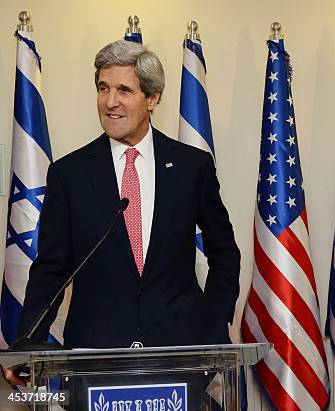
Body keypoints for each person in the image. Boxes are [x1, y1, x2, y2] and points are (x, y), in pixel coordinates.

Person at [14, 39, 240, 351]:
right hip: (96, 352)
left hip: (180, 348)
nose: (109, 102)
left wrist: (213, 325)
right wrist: (28, 342)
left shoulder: (192, 167)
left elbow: (224, 251)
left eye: (124, 90)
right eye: (103, 88)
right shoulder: (69, 174)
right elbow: (51, 270)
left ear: (152, 97)